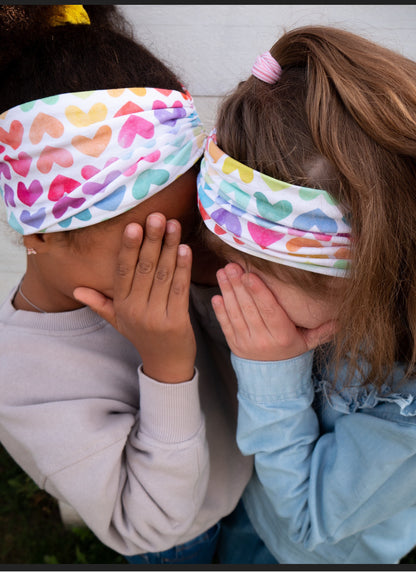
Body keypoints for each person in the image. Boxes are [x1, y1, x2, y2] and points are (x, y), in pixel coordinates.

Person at [0, 5, 254, 564]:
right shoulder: (19, 377)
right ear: (41, 236)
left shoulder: (177, 267)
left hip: (253, 486)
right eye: (149, 250)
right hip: (180, 538)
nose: (181, 260)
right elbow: (151, 526)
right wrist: (166, 366)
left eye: (190, 230)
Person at [196, 25, 416, 564]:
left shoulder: (405, 403)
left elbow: (307, 521)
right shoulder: (327, 300)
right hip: (254, 495)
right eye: (227, 260)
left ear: (364, 278)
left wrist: (271, 372)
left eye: (255, 273)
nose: (233, 286)